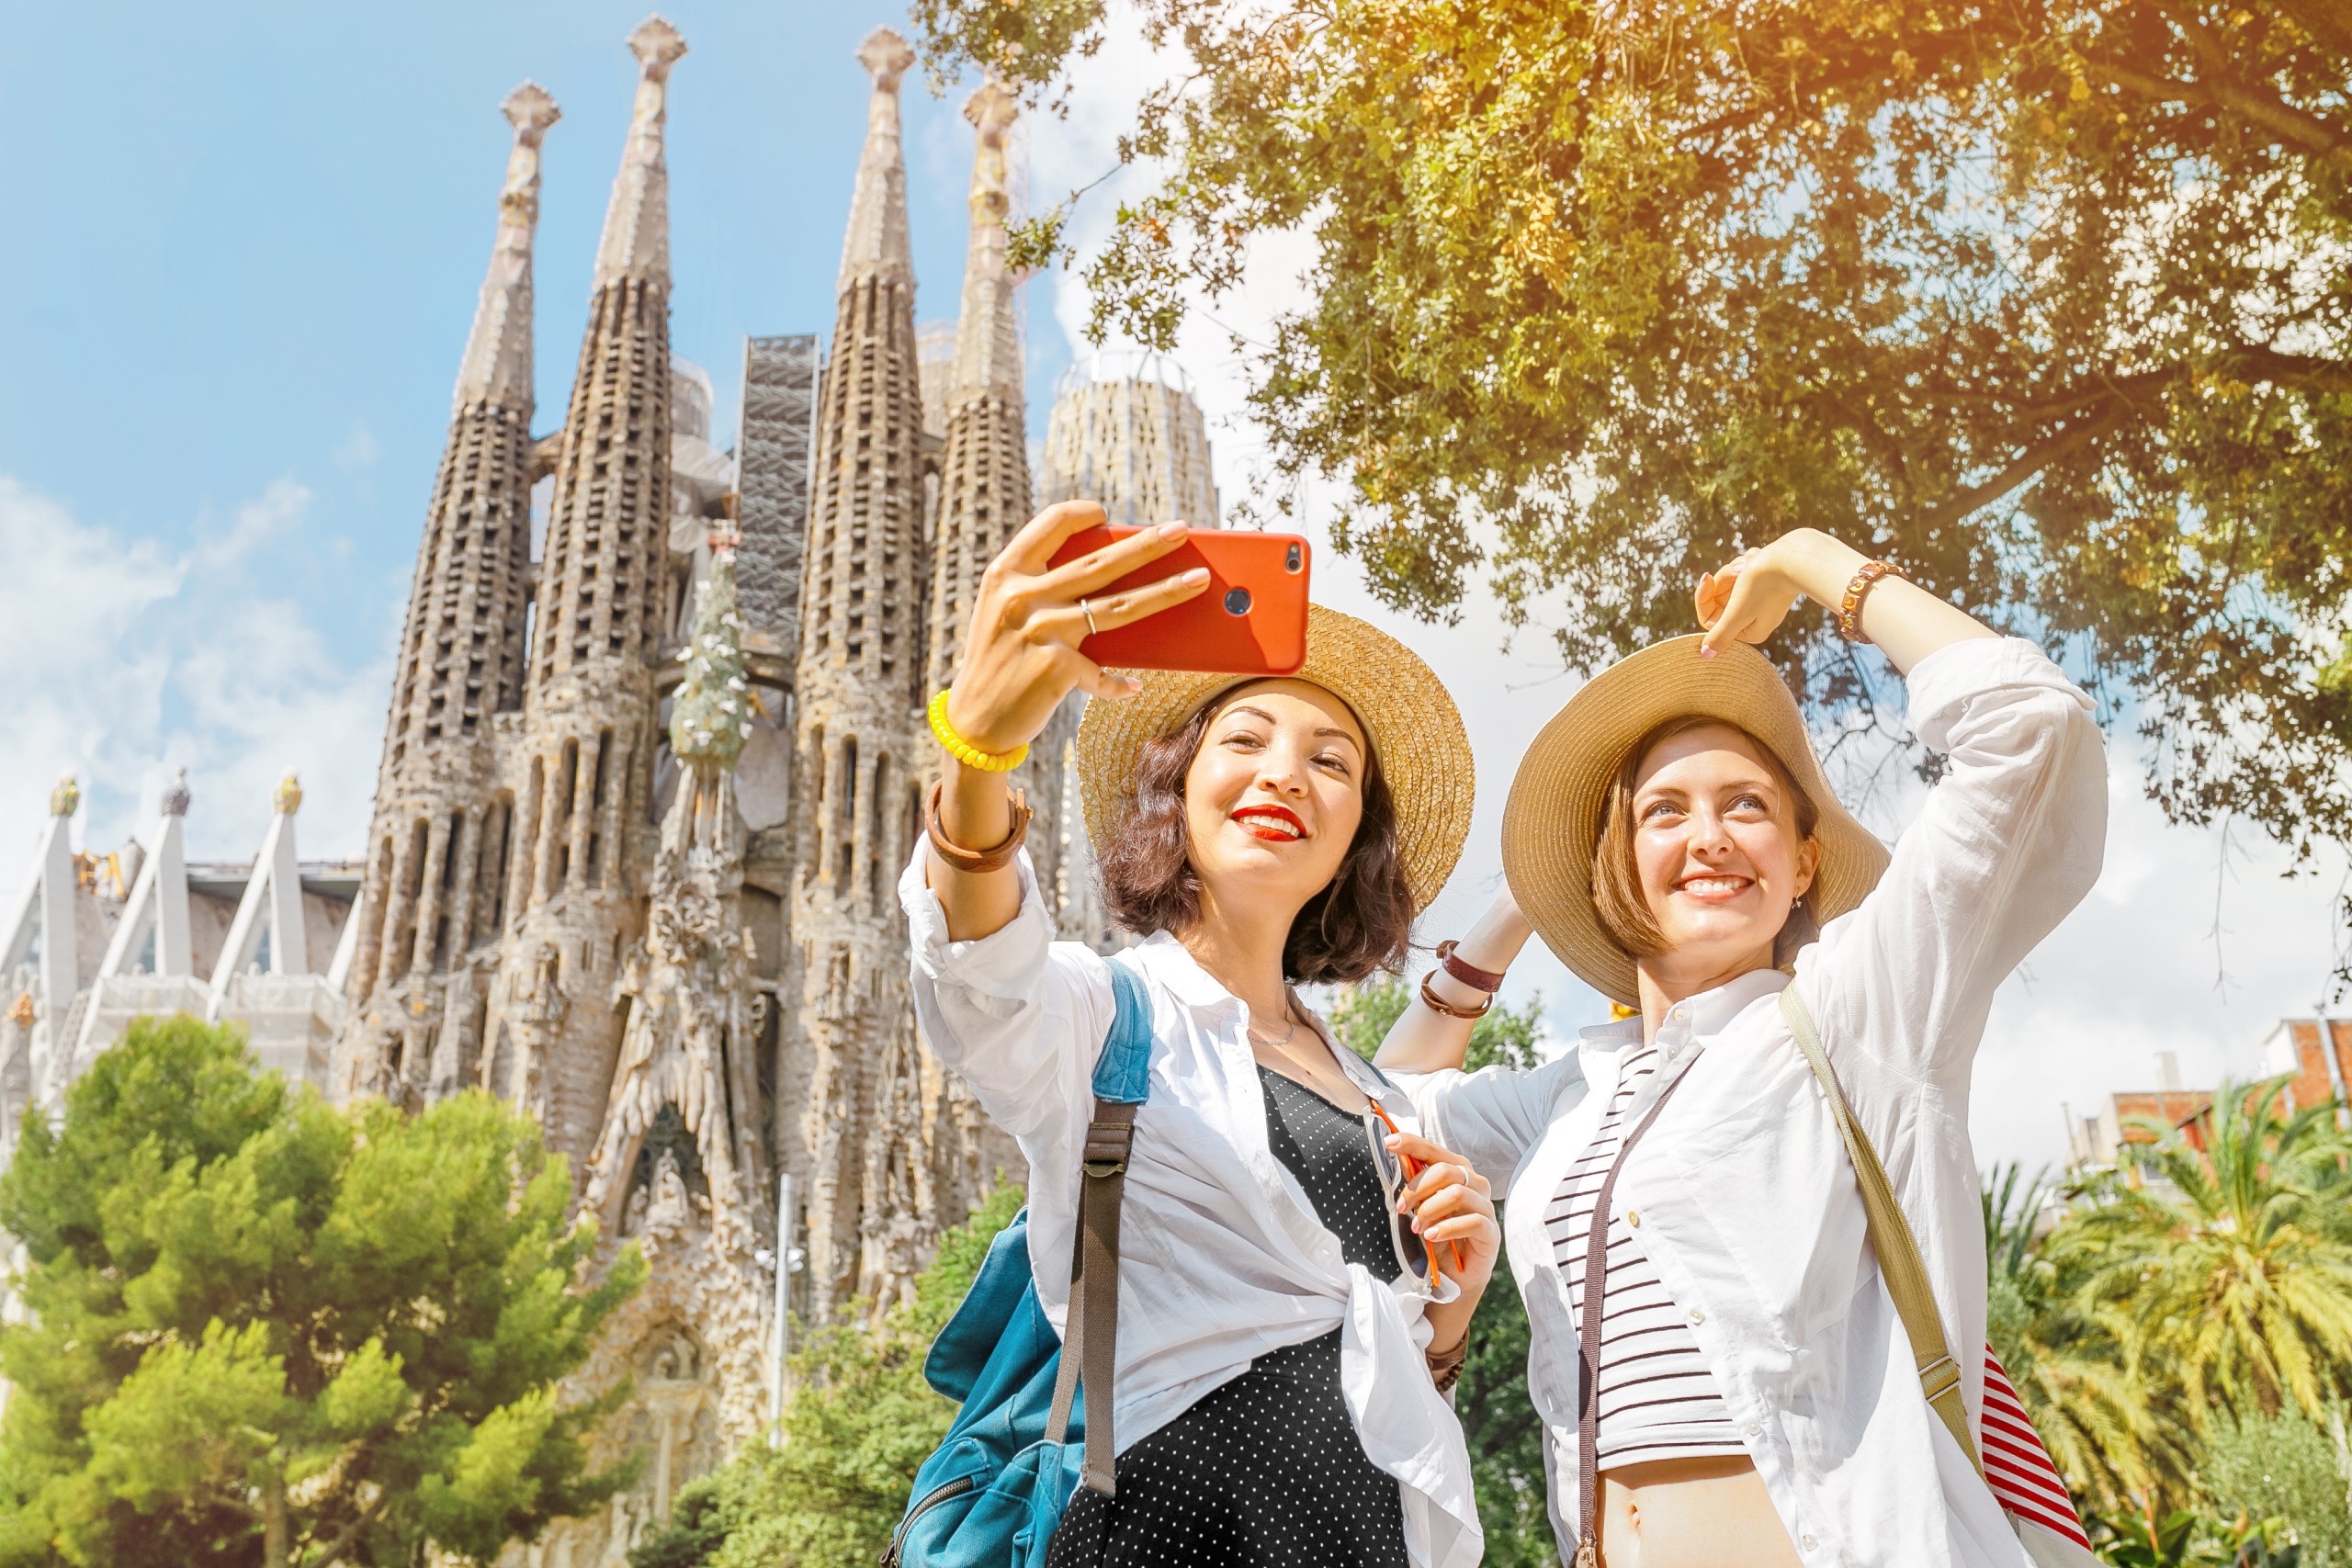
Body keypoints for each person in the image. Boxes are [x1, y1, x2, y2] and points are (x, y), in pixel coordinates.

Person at [1376, 527, 2107, 1568]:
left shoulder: (1861, 1011)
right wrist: (1516, 907)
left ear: (1804, 861)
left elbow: (2029, 729)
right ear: (1611, 869)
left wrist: (1815, 562)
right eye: (1661, 814)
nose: (1708, 838)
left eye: (1748, 808)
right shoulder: (1568, 1098)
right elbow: (1375, 1112)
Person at [903, 501, 1500, 1568]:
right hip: (1162, 1532)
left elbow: (1395, 1384)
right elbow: (980, 976)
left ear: (1353, 836)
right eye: (1245, 739)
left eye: (1331, 761)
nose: (1284, 773)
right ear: (1178, 793)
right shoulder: (1105, 1018)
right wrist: (978, 752)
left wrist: (1452, 1304)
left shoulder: (1383, 1100)